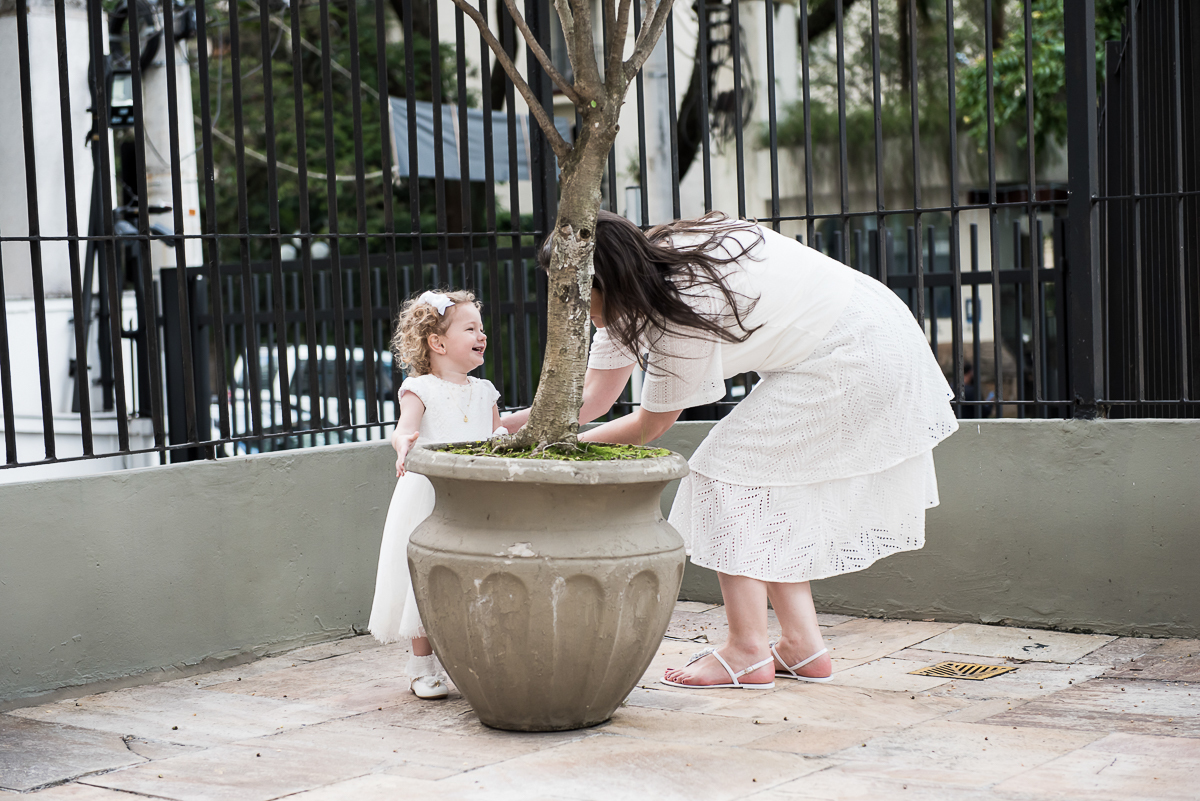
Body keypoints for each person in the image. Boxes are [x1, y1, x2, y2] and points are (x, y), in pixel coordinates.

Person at [512, 211, 958, 689]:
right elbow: (594, 398)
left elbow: (650, 425)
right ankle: (803, 647)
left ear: (605, 279)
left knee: (721, 474)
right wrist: (511, 427)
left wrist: (554, 451)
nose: (570, 302)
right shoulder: (649, 270)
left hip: (856, 350)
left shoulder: (681, 304)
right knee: (762, 485)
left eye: (578, 290)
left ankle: (747, 651)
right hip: (868, 330)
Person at [369, 289, 504, 699]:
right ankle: (421, 666)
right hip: (428, 494)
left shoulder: (486, 391)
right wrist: (403, 444)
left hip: (475, 497)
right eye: (470, 329)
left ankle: (469, 660)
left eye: (482, 328)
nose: (482, 335)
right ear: (438, 343)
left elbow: (496, 434)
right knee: (427, 579)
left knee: (472, 578)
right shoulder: (419, 388)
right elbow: (403, 429)